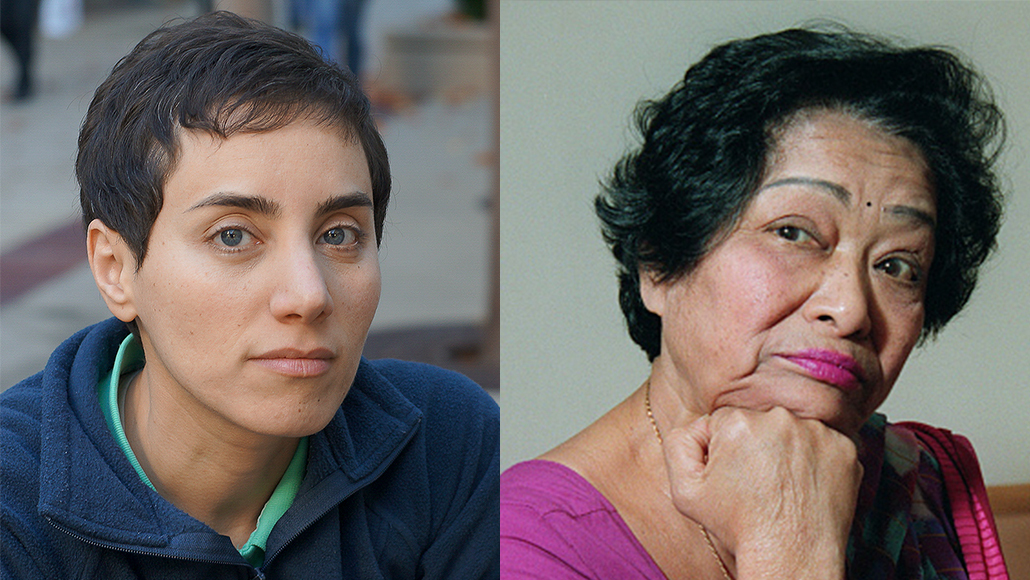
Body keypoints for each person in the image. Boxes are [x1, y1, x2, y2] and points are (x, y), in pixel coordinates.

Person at [0, 12, 499, 579]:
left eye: (338, 235)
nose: (308, 296)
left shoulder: (445, 447)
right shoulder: (14, 512)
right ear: (116, 270)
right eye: (232, 236)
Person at [501, 26, 1009, 580]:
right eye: (793, 233)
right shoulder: (522, 547)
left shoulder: (923, 488)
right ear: (658, 263)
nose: (851, 310)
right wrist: (791, 542)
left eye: (897, 265)